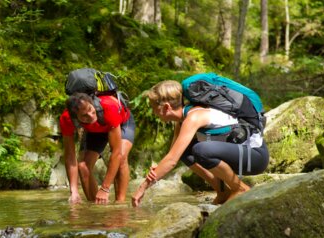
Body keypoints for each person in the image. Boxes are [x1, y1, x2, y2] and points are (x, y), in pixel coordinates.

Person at [132, 80, 269, 207]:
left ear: (166, 107)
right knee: (186, 152)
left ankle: (239, 188)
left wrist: (141, 188)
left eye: (153, 107)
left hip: (255, 157)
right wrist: (157, 169)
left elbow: (172, 161)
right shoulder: (182, 120)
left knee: (201, 150)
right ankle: (223, 193)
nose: (153, 112)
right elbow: (174, 154)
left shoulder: (194, 117)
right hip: (242, 155)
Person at [60, 90, 135, 205]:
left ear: (92, 103)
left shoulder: (109, 107)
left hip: (121, 122)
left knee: (121, 158)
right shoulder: (66, 119)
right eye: (84, 116)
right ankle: (96, 207)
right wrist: (74, 191)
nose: (90, 116)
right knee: (83, 166)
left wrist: (105, 188)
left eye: (90, 109)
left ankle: (120, 205)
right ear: (75, 117)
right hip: (95, 130)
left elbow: (117, 153)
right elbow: (70, 155)